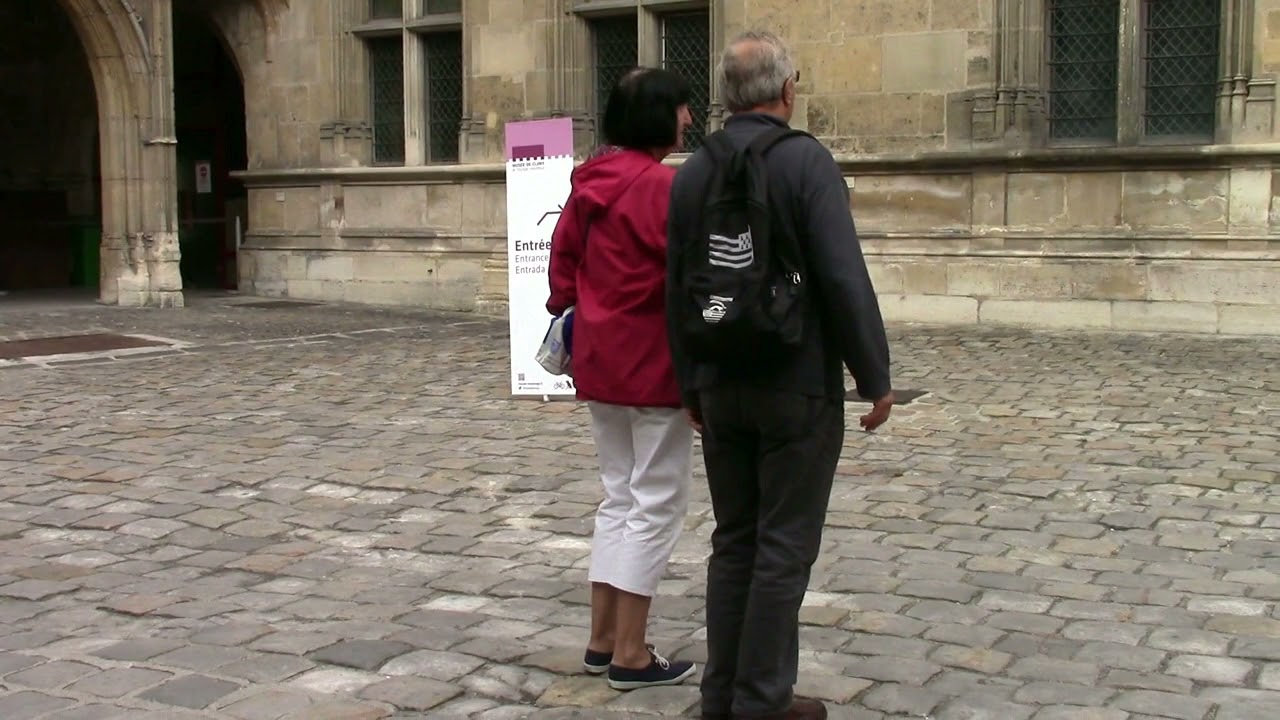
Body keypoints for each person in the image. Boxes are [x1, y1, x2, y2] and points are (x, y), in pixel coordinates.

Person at [666, 31, 896, 720]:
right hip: (796, 380)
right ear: (787, 90)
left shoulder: (693, 171)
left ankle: (724, 696)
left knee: (735, 540)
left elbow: (675, 283)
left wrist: (690, 382)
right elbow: (840, 276)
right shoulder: (806, 163)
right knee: (783, 546)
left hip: (719, 380)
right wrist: (874, 375)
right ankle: (762, 702)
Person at [545, 67, 698, 691]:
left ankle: (603, 639)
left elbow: (561, 275)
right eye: (684, 110)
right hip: (653, 363)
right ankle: (632, 653)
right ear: (662, 118)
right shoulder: (661, 189)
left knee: (619, 496)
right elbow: (692, 279)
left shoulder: (589, 184)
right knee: (656, 502)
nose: (690, 119)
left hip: (601, 360)